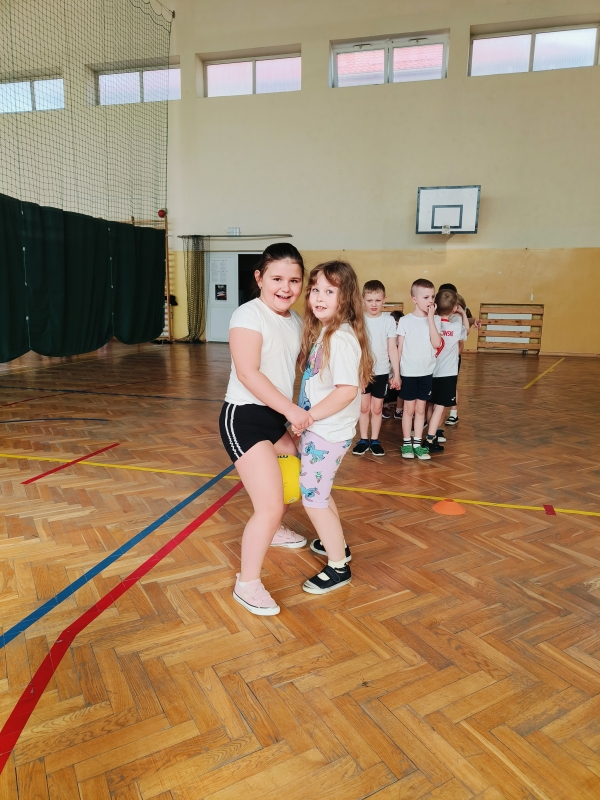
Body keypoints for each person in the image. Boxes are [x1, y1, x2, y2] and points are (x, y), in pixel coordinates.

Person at [219, 243, 309, 617]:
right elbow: (248, 373)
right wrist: (290, 410)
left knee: (293, 474)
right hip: (243, 418)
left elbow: (297, 365)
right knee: (269, 504)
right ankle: (247, 583)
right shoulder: (247, 315)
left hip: (274, 418)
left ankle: (274, 529)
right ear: (259, 278)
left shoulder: (296, 321)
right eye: (277, 278)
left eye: (294, 280)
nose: (285, 287)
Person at [295, 261, 373, 594]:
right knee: (319, 493)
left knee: (313, 499)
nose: (319, 297)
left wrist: (308, 417)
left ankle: (338, 567)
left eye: (329, 291)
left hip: (326, 432)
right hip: (321, 430)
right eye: (315, 290)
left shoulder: (340, 338)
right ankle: (336, 543)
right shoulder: (329, 331)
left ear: (346, 297)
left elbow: (346, 391)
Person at [396, 279, 442, 461]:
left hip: (426, 372)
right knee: (409, 409)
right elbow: (399, 349)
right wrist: (396, 374)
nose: (430, 301)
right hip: (408, 373)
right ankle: (406, 443)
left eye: (432, 297)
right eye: (426, 297)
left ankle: (417, 443)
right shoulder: (405, 321)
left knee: (421, 409)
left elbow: (437, 343)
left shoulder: (435, 320)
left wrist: (430, 319)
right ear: (414, 299)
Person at [352, 280, 399, 456]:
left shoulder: (388, 321)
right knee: (364, 407)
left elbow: (392, 348)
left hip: (382, 371)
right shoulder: (358, 320)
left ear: (384, 299)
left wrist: (396, 373)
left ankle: (375, 440)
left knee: (377, 408)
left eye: (378, 300)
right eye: (370, 300)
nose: (374, 304)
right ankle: (363, 439)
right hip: (363, 372)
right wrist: (357, 371)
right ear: (363, 299)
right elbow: (354, 347)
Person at [423, 289, 469, 453]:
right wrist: (463, 313)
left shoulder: (430, 324)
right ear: (454, 308)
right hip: (447, 374)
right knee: (440, 407)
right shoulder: (456, 327)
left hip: (430, 372)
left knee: (430, 405)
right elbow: (467, 331)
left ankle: (431, 433)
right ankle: (430, 438)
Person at [437, 283, 480, 427]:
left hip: (451, 357)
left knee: (451, 385)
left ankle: (453, 413)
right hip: (441, 357)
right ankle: (435, 422)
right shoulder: (438, 317)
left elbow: (468, 321)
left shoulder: (457, 315)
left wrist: (473, 319)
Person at [382, 309, 404, 421]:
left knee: (401, 388)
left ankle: (398, 410)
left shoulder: (401, 338)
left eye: (398, 324)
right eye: (395, 324)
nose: (396, 327)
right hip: (386, 369)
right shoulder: (387, 337)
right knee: (383, 389)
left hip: (396, 369)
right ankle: (382, 407)